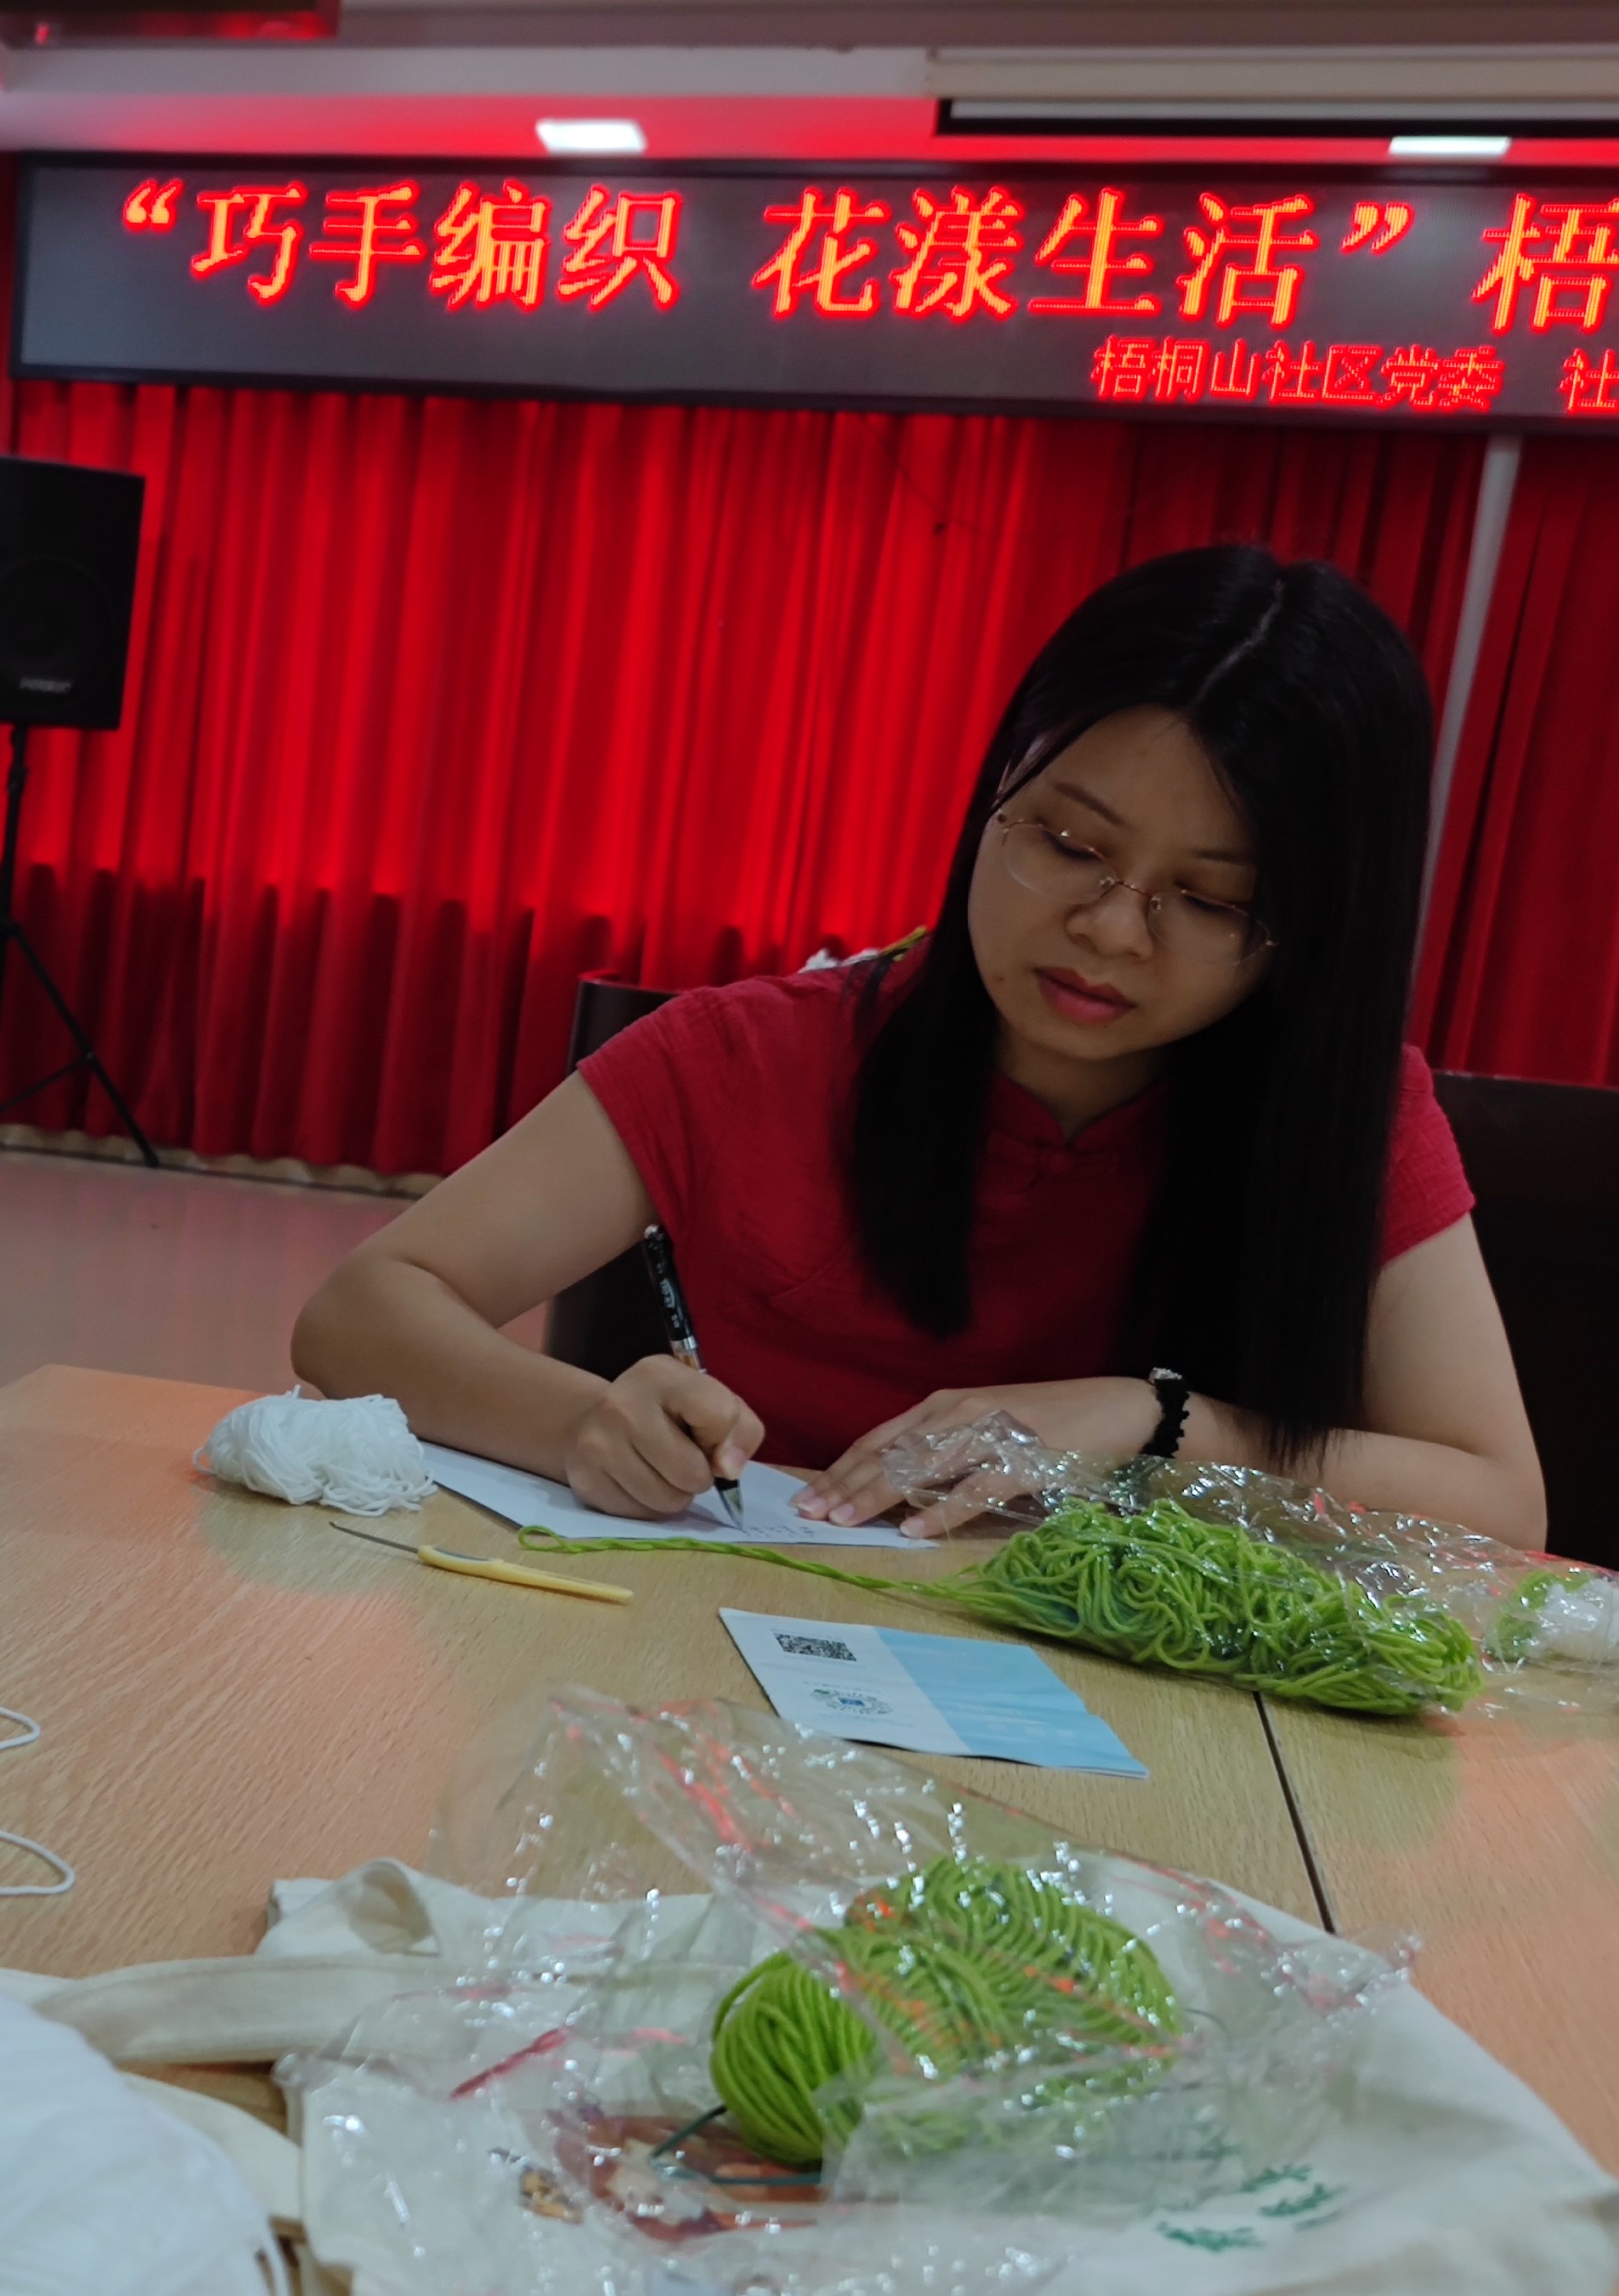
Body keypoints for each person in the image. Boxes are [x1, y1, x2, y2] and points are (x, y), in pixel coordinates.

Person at [292, 545, 1545, 1547]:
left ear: (1313, 933)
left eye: (1214, 900)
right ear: (995, 794)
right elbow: (359, 1314)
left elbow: (1500, 1505)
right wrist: (582, 1420)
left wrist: (1149, 1421)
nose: (1111, 931)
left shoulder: (1347, 1117)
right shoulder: (758, 1059)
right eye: (1069, 844)